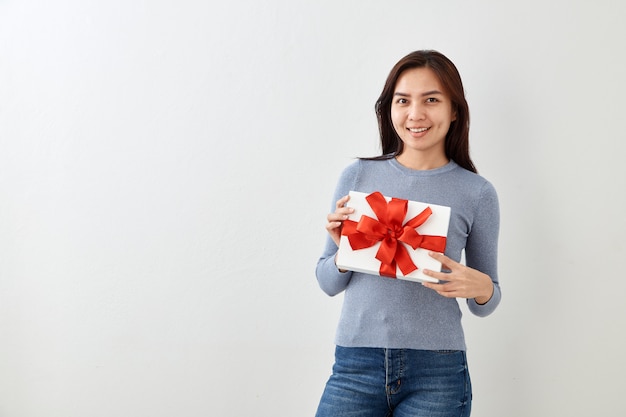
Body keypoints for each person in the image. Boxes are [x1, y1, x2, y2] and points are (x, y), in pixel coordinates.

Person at [315, 50, 501, 417]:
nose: (415, 114)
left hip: (438, 372)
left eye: (431, 100)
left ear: (454, 111)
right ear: (390, 110)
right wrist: (343, 253)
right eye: (403, 100)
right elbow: (327, 282)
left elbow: (488, 301)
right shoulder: (357, 177)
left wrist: (481, 288)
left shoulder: (477, 193)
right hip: (355, 364)